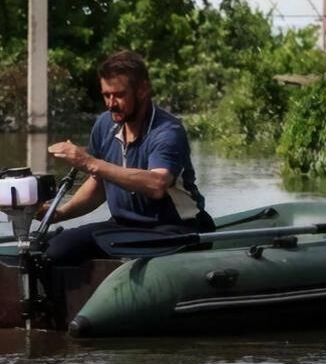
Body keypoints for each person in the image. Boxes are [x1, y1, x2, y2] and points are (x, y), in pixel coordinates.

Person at [37, 50, 213, 264]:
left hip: (175, 229)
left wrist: (88, 162)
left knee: (131, 261)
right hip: (124, 227)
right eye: (106, 95)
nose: (111, 103)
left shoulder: (167, 131)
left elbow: (156, 184)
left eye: (119, 95)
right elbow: (100, 184)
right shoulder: (104, 124)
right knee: (55, 250)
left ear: (142, 90)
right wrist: (60, 213)